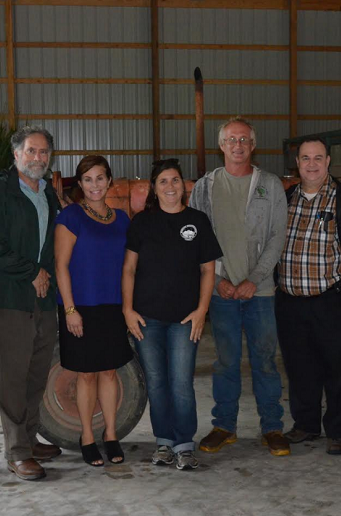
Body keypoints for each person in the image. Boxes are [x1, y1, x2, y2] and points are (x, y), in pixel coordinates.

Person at [189, 116, 290, 457]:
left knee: (264, 361)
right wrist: (217, 281)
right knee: (226, 362)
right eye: (231, 140)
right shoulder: (204, 186)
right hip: (222, 294)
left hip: (259, 293)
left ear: (253, 145)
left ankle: (272, 428)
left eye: (244, 140)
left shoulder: (270, 185)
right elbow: (196, 240)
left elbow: (277, 236)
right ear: (221, 146)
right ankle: (224, 426)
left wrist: (255, 280)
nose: (238, 145)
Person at [122, 159, 222, 471]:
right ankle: (164, 443)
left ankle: (184, 445)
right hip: (147, 319)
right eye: (163, 181)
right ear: (154, 187)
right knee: (156, 382)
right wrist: (127, 309)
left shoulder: (198, 221)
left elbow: (208, 270)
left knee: (181, 382)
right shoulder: (141, 222)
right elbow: (128, 269)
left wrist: (201, 310)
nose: (170, 186)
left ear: (184, 185)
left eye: (175, 180)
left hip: (184, 320)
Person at [0, 126, 63, 481]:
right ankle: (16, 451)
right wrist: (32, 272)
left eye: (43, 152)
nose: (38, 158)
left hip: (43, 300)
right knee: (11, 375)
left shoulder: (48, 195)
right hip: (10, 298)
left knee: (36, 371)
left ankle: (28, 437)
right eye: (31, 151)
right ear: (16, 155)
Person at [276, 138, 341, 455]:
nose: (311, 164)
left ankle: (338, 432)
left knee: (338, 370)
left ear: (328, 161)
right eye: (305, 158)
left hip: (332, 300)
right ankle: (305, 424)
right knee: (300, 367)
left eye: (317, 158)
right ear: (297, 163)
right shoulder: (285, 199)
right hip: (290, 301)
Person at [54, 155, 133, 467]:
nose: (95, 185)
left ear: (109, 181)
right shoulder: (70, 217)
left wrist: (129, 306)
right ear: (80, 184)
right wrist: (70, 309)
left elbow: (129, 267)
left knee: (110, 371)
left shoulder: (123, 219)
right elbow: (60, 266)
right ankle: (87, 436)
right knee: (86, 375)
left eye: (100, 178)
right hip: (81, 307)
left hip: (113, 306)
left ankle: (111, 434)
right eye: (88, 179)